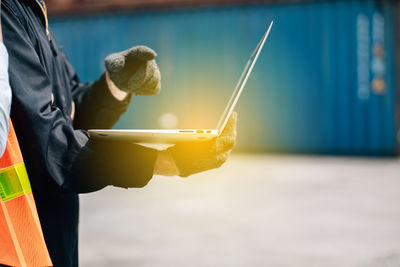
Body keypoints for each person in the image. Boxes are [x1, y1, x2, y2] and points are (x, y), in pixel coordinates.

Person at [1, 0, 237, 266]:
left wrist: (116, 85)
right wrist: (164, 162)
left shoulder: (34, 10)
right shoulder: (7, 12)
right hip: (21, 241)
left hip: (56, 233)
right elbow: (48, 144)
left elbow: (72, 114)